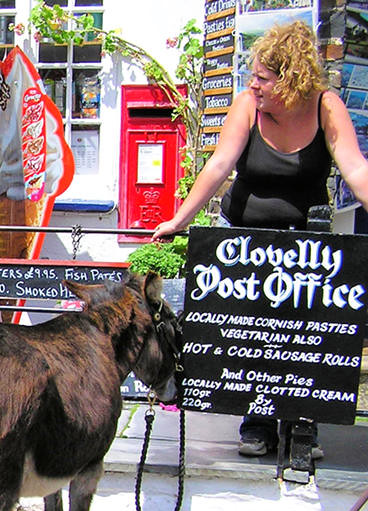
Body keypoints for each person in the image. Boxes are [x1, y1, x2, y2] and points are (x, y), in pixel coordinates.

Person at [152, 20, 368, 458]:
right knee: (251, 330)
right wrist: (178, 219)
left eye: (263, 78)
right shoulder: (247, 106)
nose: (253, 84)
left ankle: (302, 425)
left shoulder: (326, 107)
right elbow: (219, 166)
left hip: (305, 243)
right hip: (246, 240)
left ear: (291, 80)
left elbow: (356, 168)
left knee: (303, 333)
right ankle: (257, 423)